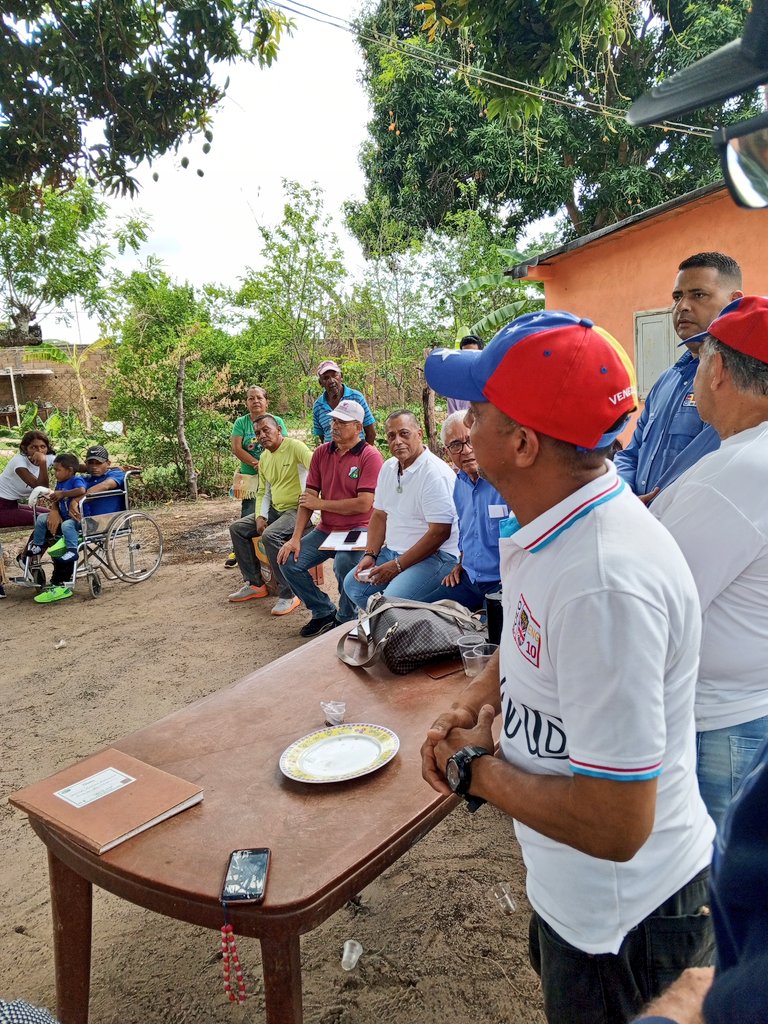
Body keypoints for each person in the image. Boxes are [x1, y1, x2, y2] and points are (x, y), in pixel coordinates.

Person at [421, 310, 714, 1024]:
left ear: (520, 443)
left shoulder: (602, 581)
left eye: (476, 410)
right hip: (580, 899)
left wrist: (472, 772)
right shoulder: (557, 522)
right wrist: (477, 692)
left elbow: (616, 823)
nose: (462, 425)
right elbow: (525, 637)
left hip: (628, 925)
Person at [650, 296, 768, 828]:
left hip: (727, 725)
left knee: (717, 890)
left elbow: (654, 602)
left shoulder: (738, 474)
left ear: (718, 368)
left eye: (699, 361)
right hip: (749, 709)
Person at [614, 252, 743, 502]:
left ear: (733, 301)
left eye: (698, 295)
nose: (682, 306)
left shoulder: (737, 384)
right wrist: (625, 496)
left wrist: (653, 506)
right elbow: (632, 452)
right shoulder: (666, 380)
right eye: (677, 296)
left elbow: (707, 467)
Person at [277, 399, 384, 636]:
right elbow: (308, 499)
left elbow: (364, 504)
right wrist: (294, 539)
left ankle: (344, 618)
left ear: (358, 427)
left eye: (342, 422)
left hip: (360, 527)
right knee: (288, 561)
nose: (334, 426)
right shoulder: (321, 453)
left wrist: (321, 504)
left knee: (345, 563)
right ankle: (322, 611)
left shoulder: (370, 456)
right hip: (327, 529)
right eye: (334, 420)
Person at [343, 410, 459, 611]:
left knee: (390, 602)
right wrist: (370, 554)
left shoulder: (434, 474)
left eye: (404, 433)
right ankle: (391, 625)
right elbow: (379, 515)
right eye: (391, 436)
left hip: (437, 556)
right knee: (353, 587)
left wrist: (397, 566)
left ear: (419, 434)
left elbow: (440, 532)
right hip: (393, 551)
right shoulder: (389, 467)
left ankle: (401, 627)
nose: (397, 441)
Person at [420, 410, 505, 610]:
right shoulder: (460, 484)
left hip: (502, 583)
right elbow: (466, 529)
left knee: (488, 637)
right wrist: (461, 562)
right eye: (456, 445)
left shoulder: (505, 482)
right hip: (468, 579)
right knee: (417, 612)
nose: (466, 450)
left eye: (471, 440)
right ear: (447, 451)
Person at [228, 415, 312, 616]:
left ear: (279, 430)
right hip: (277, 508)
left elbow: (318, 470)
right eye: (258, 433)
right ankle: (255, 584)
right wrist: (260, 516)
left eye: (266, 430)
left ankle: (289, 593)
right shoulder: (264, 457)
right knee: (237, 528)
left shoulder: (296, 447)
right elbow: (263, 492)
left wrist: (318, 507)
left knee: (270, 535)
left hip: (298, 510)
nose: (262, 435)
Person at [225, 385, 288, 568]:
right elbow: (237, 448)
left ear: (266, 401)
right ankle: (246, 557)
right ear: (246, 403)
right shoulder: (241, 423)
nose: (256, 401)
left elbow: (284, 444)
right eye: (251, 398)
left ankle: (270, 558)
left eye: (259, 398)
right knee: (249, 514)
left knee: (276, 510)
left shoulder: (276, 421)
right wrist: (257, 463)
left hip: (274, 473)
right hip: (251, 477)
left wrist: (268, 464)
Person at [28, 453, 87, 561]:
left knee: (67, 525)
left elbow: (82, 490)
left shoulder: (76, 480)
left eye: (57, 470)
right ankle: (38, 545)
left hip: (75, 518)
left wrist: (63, 493)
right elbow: (56, 497)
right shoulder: (60, 483)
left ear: (69, 470)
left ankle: (72, 550)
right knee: (41, 518)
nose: (55, 473)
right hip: (62, 515)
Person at [312, 360, 376, 445]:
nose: (331, 380)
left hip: (356, 455)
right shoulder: (318, 406)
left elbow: (371, 433)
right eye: (326, 378)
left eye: (334, 375)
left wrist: (363, 455)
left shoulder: (356, 397)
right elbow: (323, 437)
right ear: (320, 383)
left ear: (341, 376)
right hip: (333, 456)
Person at [0, 430, 55, 527]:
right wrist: (42, 463)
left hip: (12, 505)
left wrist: (90, 465)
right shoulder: (19, 462)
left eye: (43, 447)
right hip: (1, 507)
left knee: (52, 514)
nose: (39, 451)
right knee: (47, 519)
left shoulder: (48, 457)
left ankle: (36, 542)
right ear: (25, 449)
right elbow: (40, 488)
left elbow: (72, 466)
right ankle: (35, 543)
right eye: (33, 447)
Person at [446, 335, 484, 416]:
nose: (469, 358)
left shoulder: (488, 383)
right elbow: (453, 418)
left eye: (473, 353)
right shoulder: (454, 389)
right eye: (465, 354)